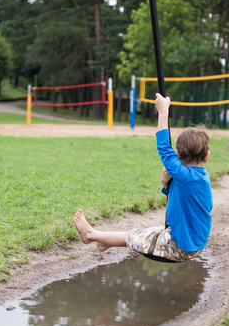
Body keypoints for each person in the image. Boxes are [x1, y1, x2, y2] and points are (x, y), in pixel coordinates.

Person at [74, 94, 213, 262]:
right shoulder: (201, 177)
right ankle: (104, 242)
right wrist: (166, 184)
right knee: (141, 233)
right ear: (206, 156)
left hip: (179, 247)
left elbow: (163, 147)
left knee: (132, 236)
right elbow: (186, 203)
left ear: (177, 155)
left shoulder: (185, 177)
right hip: (192, 241)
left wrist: (163, 111)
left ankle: (90, 235)